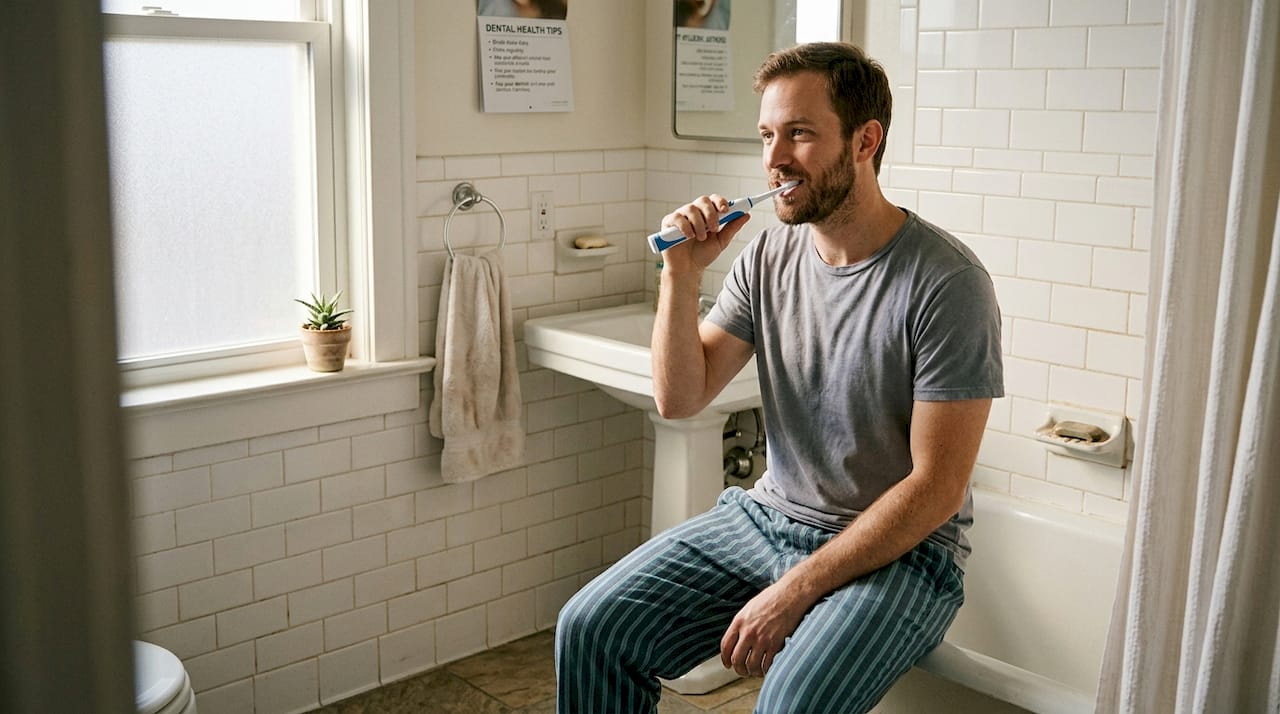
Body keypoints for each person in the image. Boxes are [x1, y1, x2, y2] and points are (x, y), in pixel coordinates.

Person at [555, 42, 1003, 713]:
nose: (775, 158)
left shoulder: (947, 282)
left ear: (865, 141)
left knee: (789, 703)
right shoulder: (767, 255)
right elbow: (680, 398)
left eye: (799, 133)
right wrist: (681, 275)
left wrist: (795, 590)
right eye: (767, 135)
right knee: (590, 627)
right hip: (767, 518)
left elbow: (937, 489)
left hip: (904, 555)